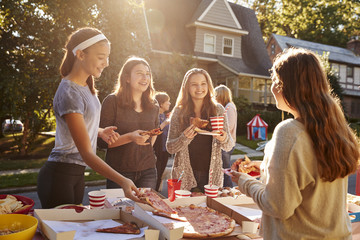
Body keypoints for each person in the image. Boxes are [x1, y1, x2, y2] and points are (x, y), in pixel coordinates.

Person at [231, 48, 360, 239]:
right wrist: (266, 167)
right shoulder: (336, 128)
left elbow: (278, 206)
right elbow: (312, 174)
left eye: (275, 80)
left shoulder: (289, 131)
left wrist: (245, 182)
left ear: (287, 86)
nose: (272, 87)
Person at [37, 27, 139, 209]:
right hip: (60, 175)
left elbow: (78, 125)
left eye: (107, 57)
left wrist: (99, 132)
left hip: (76, 174)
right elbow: (87, 154)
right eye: (101, 57)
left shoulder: (85, 86)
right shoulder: (69, 91)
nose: (106, 63)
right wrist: (123, 180)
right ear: (80, 54)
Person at [166, 68, 234, 192]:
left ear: (208, 86)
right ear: (187, 87)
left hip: (212, 176)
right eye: (194, 84)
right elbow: (170, 147)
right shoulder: (179, 111)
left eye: (203, 84)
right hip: (184, 173)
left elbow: (229, 145)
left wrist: (223, 138)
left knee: (211, 210)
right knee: (185, 209)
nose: (199, 88)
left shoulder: (217, 110)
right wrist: (184, 138)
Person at [98, 56, 159, 190]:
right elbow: (102, 142)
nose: (145, 78)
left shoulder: (154, 105)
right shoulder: (112, 102)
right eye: (139, 73)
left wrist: (143, 148)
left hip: (148, 170)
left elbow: (153, 134)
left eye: (147, 74)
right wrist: (131, 137)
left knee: (146, 210)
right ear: (127, 78)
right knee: (120, 210)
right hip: (119, 172)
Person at [214, 84, 237, 187]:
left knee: (225, 170)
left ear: (221, 95)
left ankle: (228, 189)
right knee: (223, 169)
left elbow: (230, 125)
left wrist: (217, 129)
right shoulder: (226, 107)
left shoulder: (229, 107)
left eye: (216, 95)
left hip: (227, 143)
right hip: (224, 141)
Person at [153, 92, 171, 191]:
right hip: (157, 150)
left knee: (160, 173)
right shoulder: (154, 115)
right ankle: (153, 194)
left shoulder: (164, 115)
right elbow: (155, 131)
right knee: (156, 173)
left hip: (165, 150)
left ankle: (156, 194)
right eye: (167, 101)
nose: (169, 103)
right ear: (161, 104)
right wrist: (166, 122)